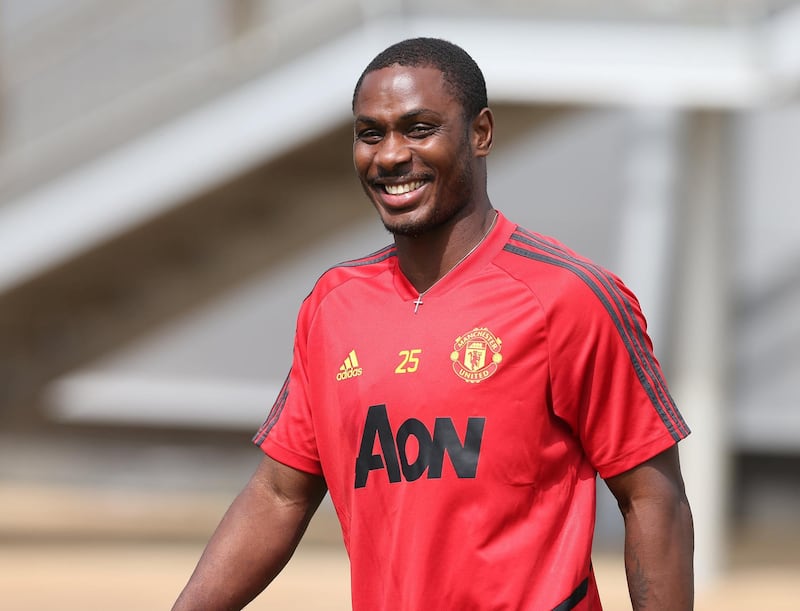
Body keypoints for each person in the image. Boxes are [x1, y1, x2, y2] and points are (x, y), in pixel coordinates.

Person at [173, 37, 694, 610]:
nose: (391, 155)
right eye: (371, 133)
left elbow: (652, 498)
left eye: (419, 129)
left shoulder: (569, 294)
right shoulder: (334, 303)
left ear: (481, 133)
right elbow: (279, 494)